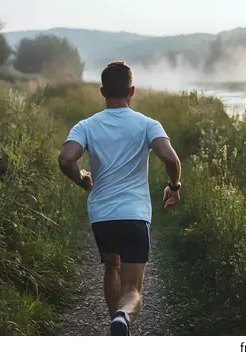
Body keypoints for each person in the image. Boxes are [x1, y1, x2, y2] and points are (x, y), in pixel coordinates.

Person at [57, 61, 182, 336]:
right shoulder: (148, 124)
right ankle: (123, 318)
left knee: (111, 265)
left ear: (103, 92)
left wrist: (81, 179)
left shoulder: (86, 126)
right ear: (132, 90)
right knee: (133, 290)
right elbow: (170, 157)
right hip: (135, 215)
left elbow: (66, 159)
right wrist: (173, 186)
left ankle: (116, 327)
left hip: (102, 215)